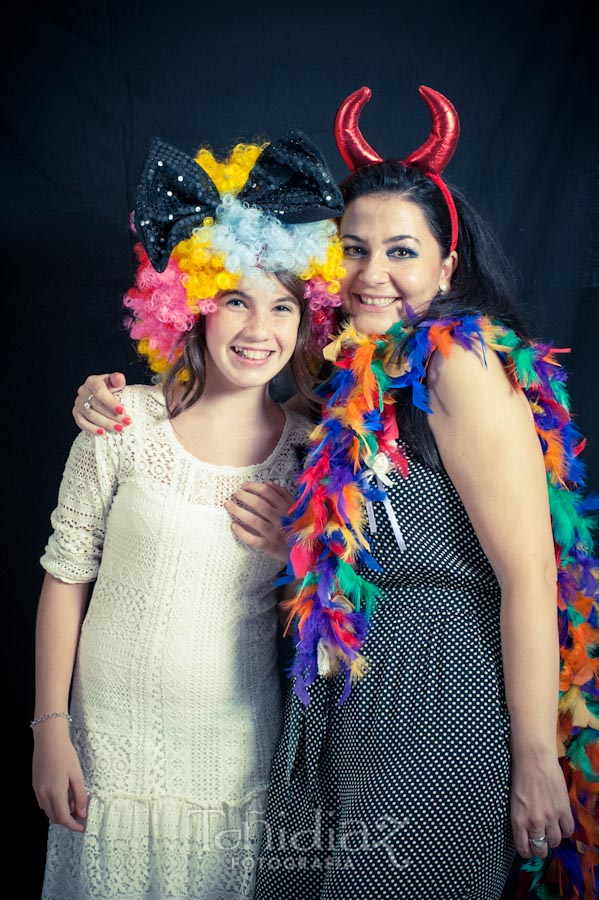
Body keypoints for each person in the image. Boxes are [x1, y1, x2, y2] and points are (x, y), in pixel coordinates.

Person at [68, 88, 599, 900]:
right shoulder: (354, 371)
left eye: (401, 252)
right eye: (353, 249)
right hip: (345, 683)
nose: (373, 274)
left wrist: (533, 757)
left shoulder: (453, 364)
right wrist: (112, 402)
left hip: (439, 688)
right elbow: (231, 409)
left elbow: (528, 575)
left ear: (446, 265)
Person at [31, 128, 345, 900]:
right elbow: (66, 579)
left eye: (282, 308)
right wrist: (48, 729)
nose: (258, 329)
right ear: (193, 307)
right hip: (107, 744)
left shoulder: (313, 453)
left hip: (232, 751)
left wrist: (295, 551)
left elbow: (331, 626)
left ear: (307, 325)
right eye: (236, 300)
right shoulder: (121, 424)